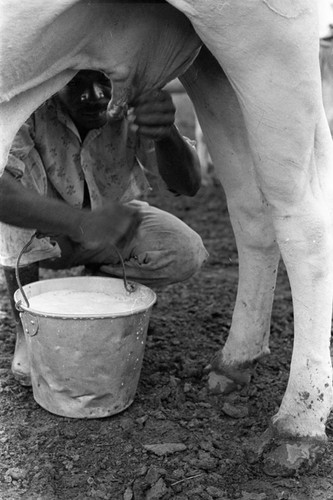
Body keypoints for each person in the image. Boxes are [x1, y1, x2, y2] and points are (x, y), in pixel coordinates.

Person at [0, 70, 208, 386]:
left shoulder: (129, 104)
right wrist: (82, 221)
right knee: (9, 216)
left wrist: (166, 134)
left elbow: (189, 184)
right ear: (55, 85)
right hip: (45, 238)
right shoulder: (28, 109)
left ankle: (98, 287)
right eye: (75, 85)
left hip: (112, 227)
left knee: (185, 250)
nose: (95, 96)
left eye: (103, 82)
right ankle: (27, 330)